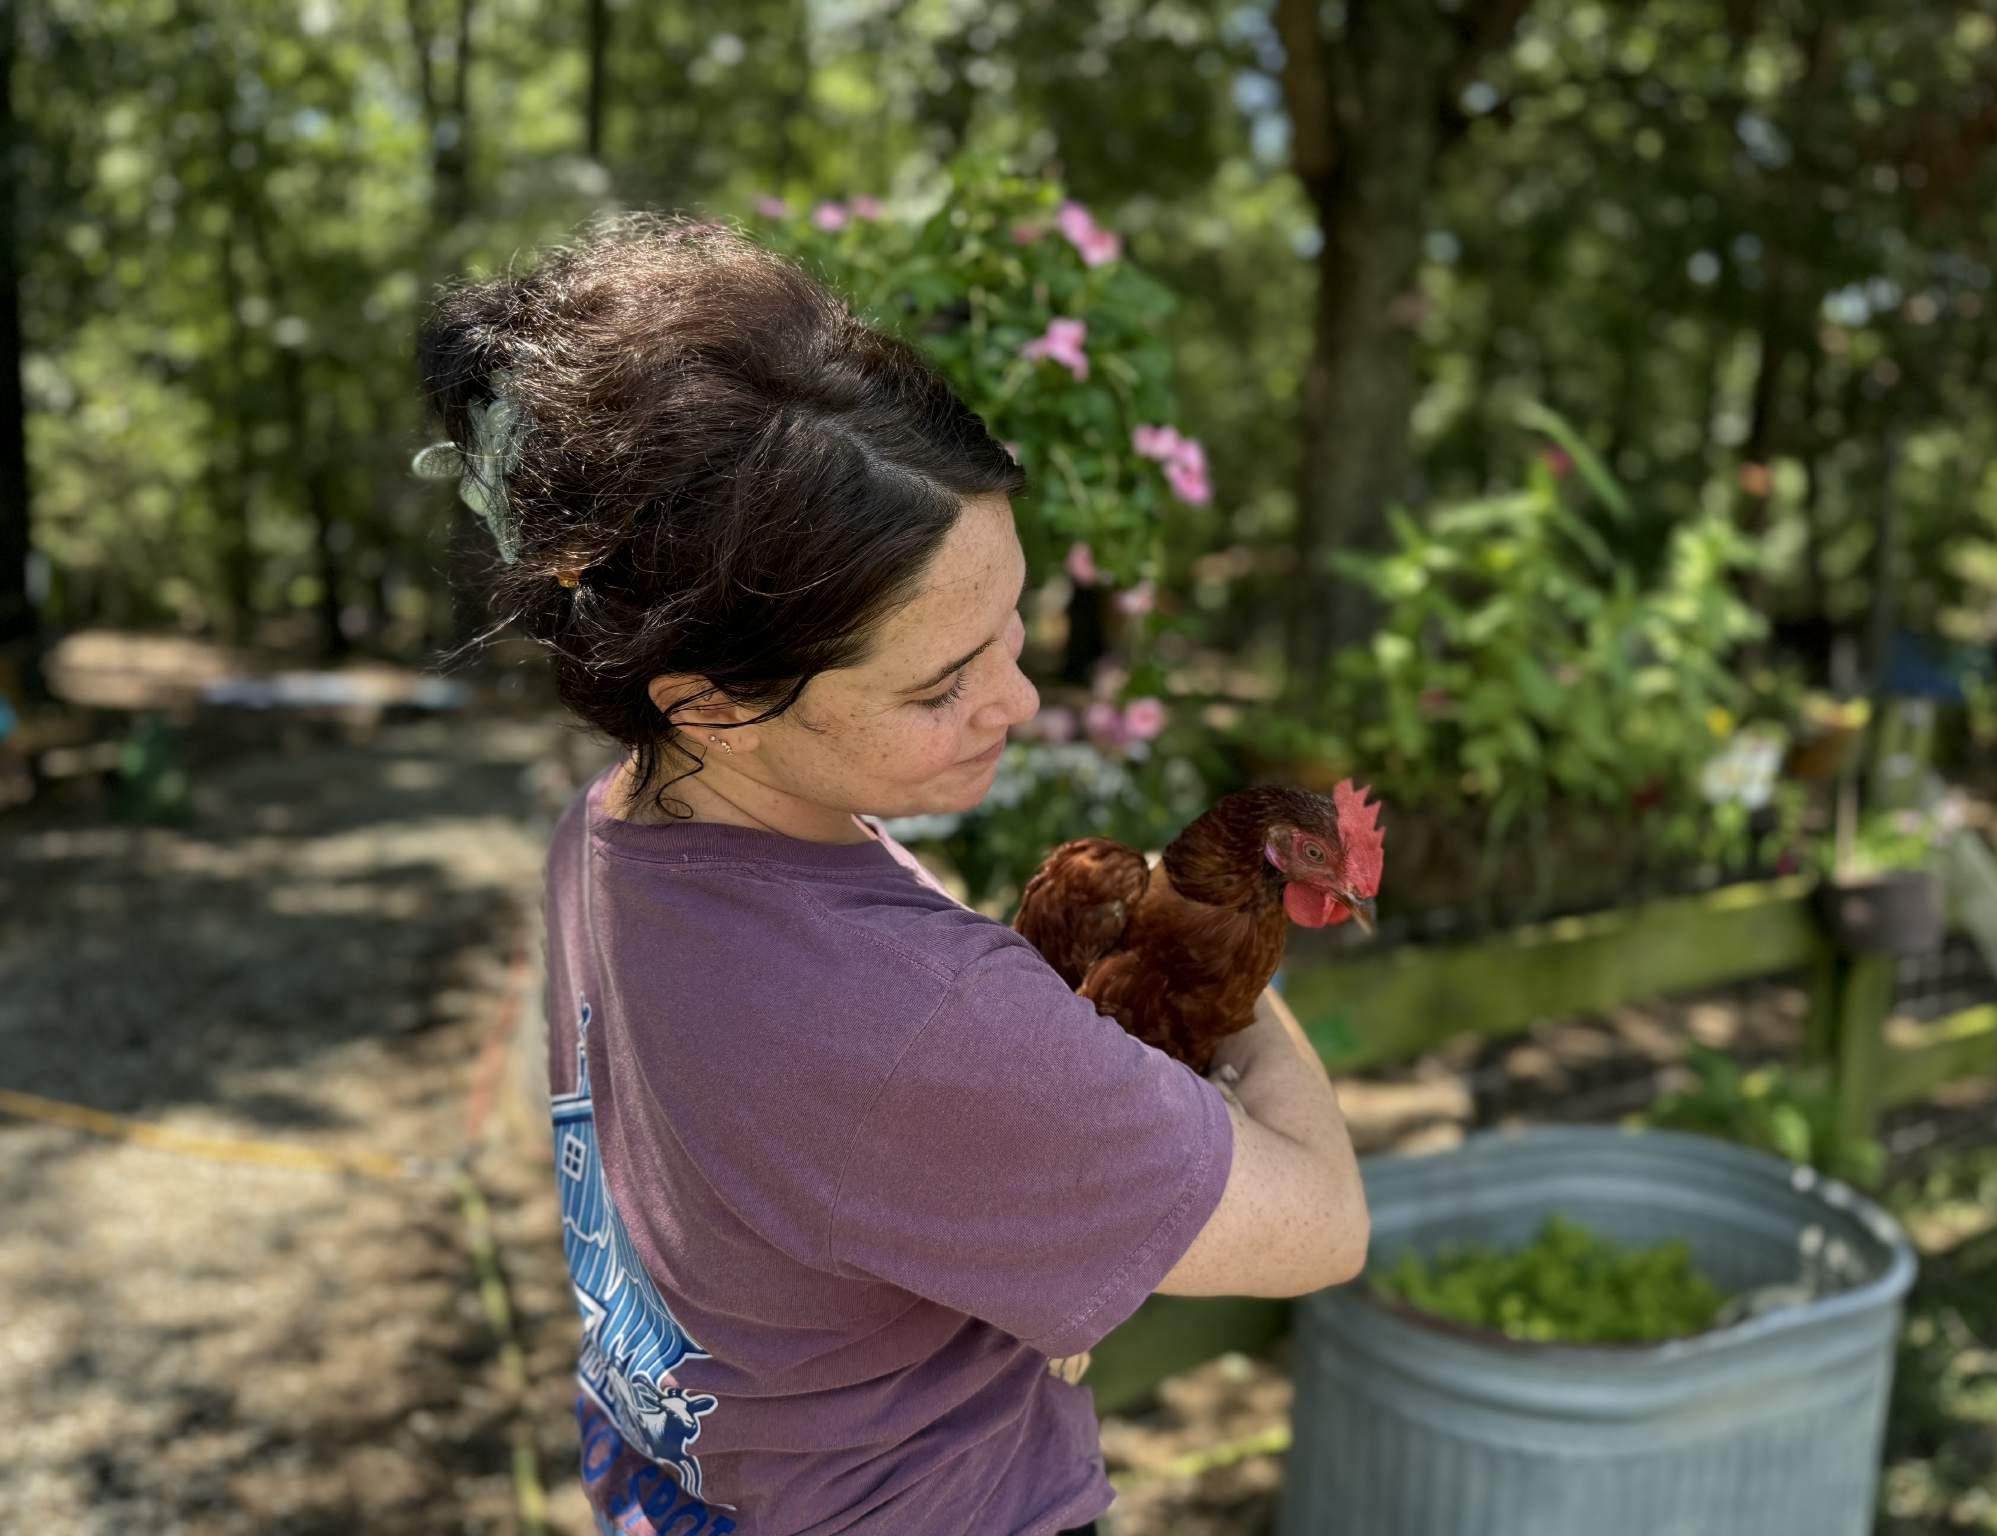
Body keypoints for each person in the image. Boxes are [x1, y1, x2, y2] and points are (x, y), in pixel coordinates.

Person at [415, 214, 1368, 1536]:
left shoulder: (610, 834)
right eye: (942, 683)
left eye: (1013, 627)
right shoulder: (916, 1019)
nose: (1021, 700)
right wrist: (1212, 940)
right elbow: (1324, 1225)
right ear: (709, 701)